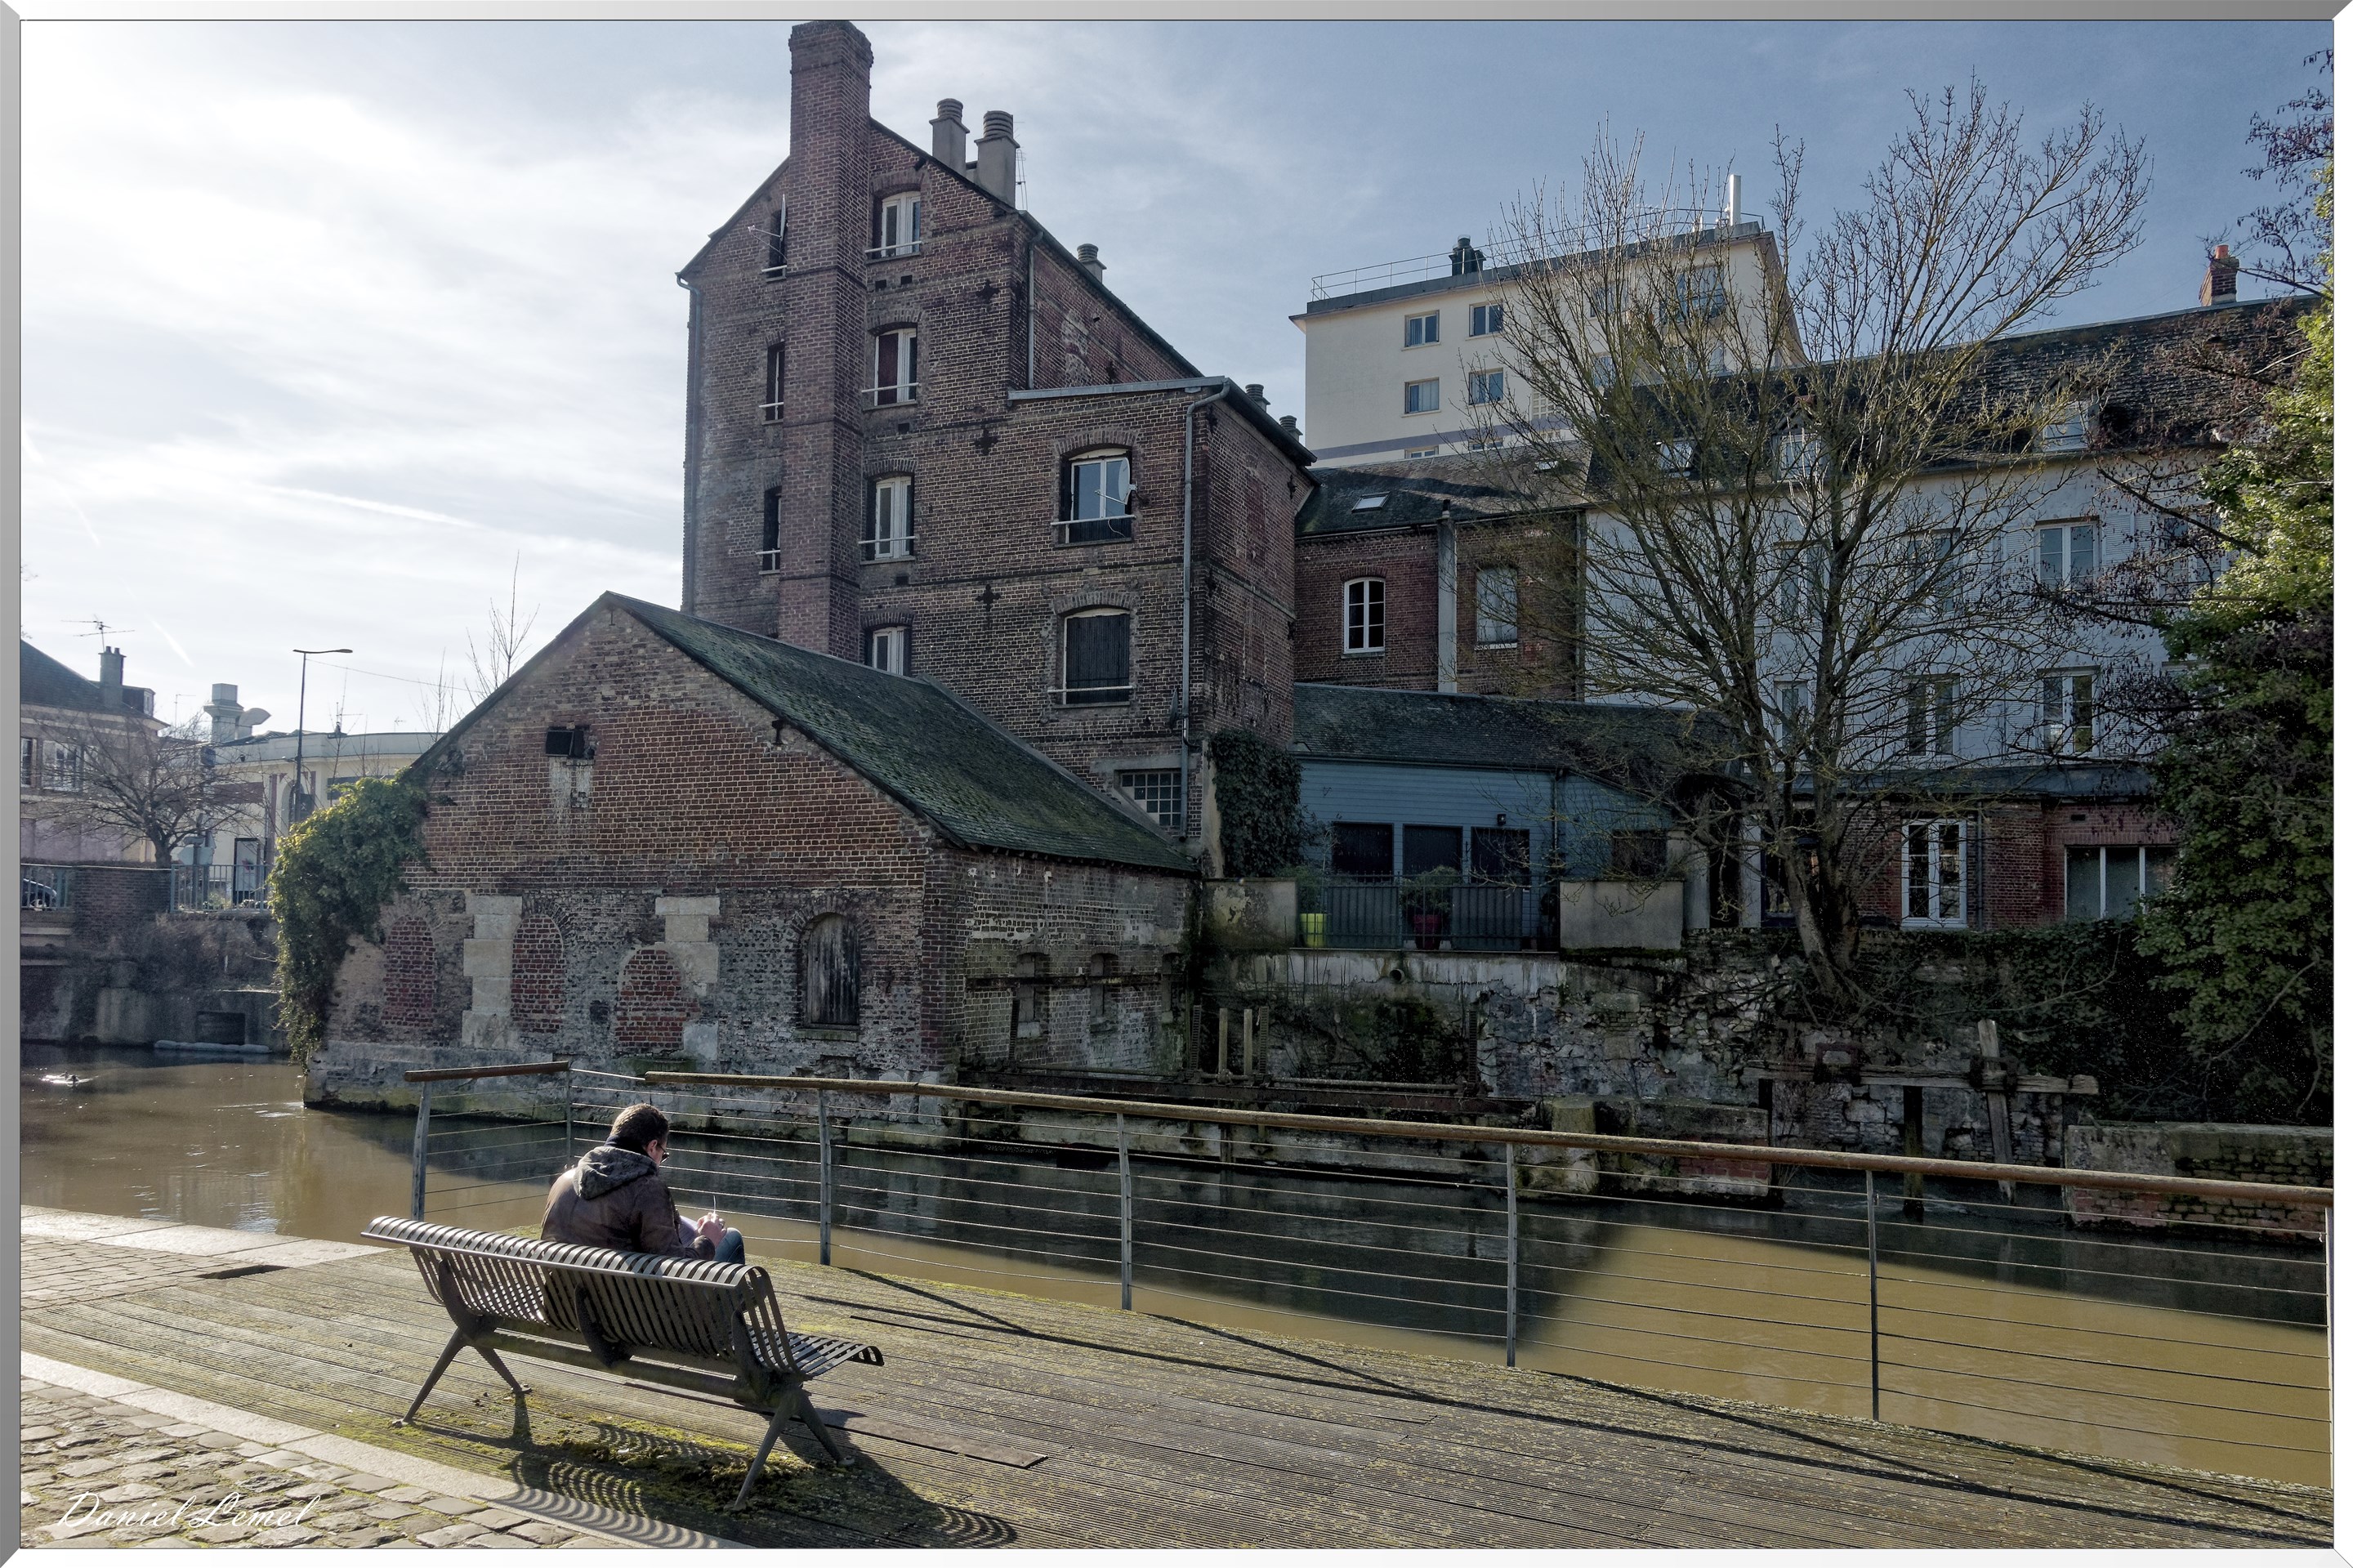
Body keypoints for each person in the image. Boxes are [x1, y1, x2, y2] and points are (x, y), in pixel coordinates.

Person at [543, 1102, 746, 1265]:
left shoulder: (565, 1180)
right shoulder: (647, 1189)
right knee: (732, 1239)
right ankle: (722, 1315)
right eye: (663, 1155)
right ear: (652, 1147)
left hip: (562, 1302)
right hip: (624, 1309)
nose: (660, 1162)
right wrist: (708, 1240)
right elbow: (675, 1268)